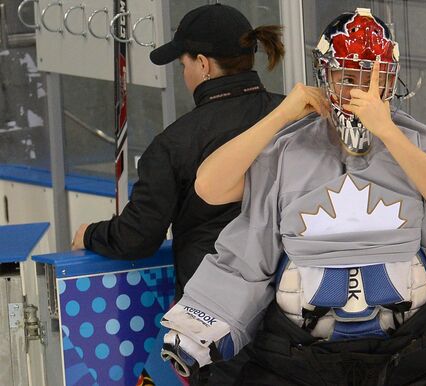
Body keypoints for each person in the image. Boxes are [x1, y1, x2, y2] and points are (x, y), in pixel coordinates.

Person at [161, 8, 426, 386]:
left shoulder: (419, 142)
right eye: (347, 78)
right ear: (325, 76)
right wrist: (281, 116)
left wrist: (389, 132)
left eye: (372, 79)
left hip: (415, 347)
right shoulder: (286, 148)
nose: (360, 92)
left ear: (390, 80)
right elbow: (215, 197)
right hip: (298, 352)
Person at [70, 3, 284, 384]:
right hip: (294, 320)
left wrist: (88, 233)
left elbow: (137, 237)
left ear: (202, 64)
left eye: (183, 65)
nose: (184, 74)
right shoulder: (291, 117)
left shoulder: (174, 144)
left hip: (218, 324)